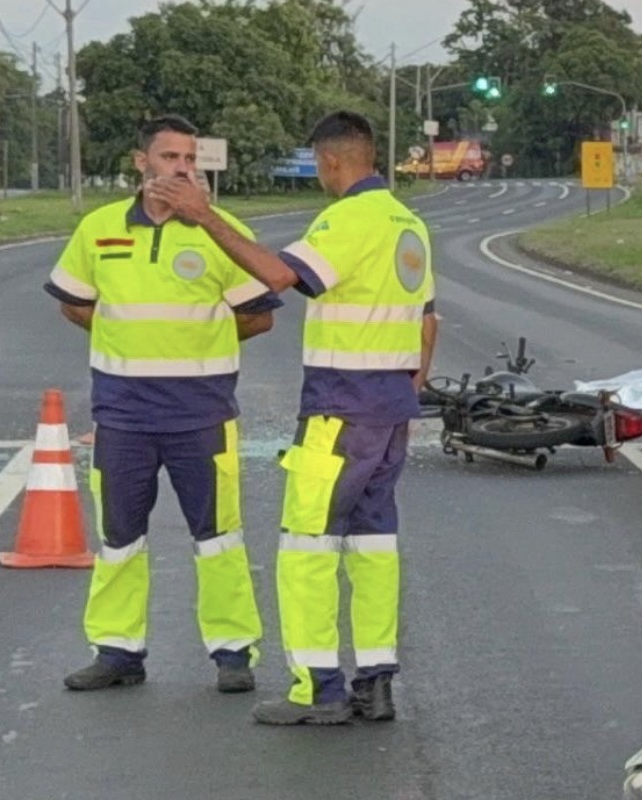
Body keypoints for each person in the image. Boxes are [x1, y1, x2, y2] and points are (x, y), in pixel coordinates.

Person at [147, 110, 438, 726]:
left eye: (318, 166)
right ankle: (376, 683)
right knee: (373, 546)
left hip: (341, 408)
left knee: (307, 546)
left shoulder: (348, 218)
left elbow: (282, 275)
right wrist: (405, 383)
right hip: (388, 410)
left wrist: (205, 216)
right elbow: (427, 319)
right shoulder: (407, 223)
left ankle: (318, 690)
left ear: (331, 160)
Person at [46, 114, 281, 693]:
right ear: (141, 162)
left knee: (219, 536)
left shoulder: (221, 231)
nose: (181, 168)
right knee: (119, 537)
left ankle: (233, 653)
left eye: (189, 159)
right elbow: (74, 303)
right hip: (123, 414)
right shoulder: (99, 228)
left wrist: (199, 342)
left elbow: (258, 316)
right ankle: (117, 650)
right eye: (170, 157)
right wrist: (127, 340)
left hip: (202, 415)